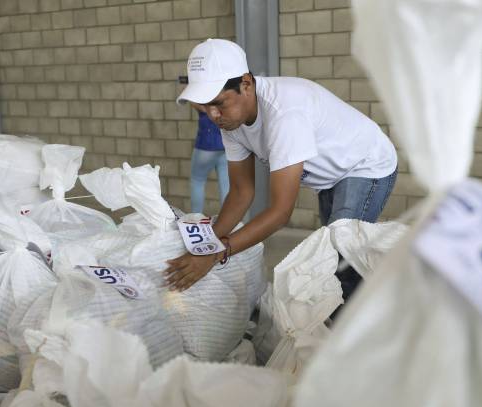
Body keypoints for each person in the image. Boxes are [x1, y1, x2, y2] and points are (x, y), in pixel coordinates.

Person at [166, 38, 397, 299]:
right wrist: (204, 245)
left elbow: (280, 212)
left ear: (246, 84)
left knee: (340, 258)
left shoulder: (284, 113)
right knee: (335, 258)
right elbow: (241, 192)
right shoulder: (231, 121)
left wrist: (218, 254)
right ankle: (354, 320)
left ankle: (367, 325)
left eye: (218, 103)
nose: (213, 115)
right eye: (204, 107)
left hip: (366, 164)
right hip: (331, 178)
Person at [190, 110, 229, 214]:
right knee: (225, 183)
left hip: (205, 144)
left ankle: (196, 217)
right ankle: (227, 219)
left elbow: (197, 104)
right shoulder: (222, 97)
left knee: (197, 181)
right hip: (224, 144)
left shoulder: (203, 98)